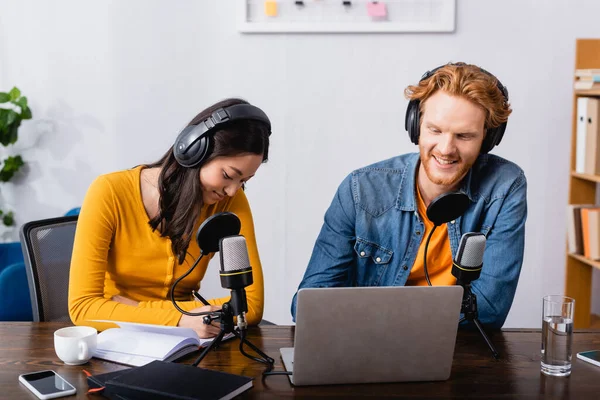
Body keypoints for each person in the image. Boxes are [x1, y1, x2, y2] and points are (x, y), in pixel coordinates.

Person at [291, 62, 527, 329]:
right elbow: (306, 305)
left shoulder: (505, 187)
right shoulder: (360, 189)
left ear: (488, 138)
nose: (446, 149)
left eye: (464, 136)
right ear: (415, 125)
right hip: (365, 348)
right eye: (435, 130)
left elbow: (488, 312)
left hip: (455, 350)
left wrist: (375, 317)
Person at [69, 98, 271, 338]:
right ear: (195, 149)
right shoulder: (109, 192)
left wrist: (135, 310)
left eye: (243, 182)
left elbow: (251, 304)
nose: (232, 190)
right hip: (117, 340)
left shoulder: (231, 202)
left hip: (188, 338)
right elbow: (82, 307)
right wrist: (180, 318)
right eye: (228, 175)